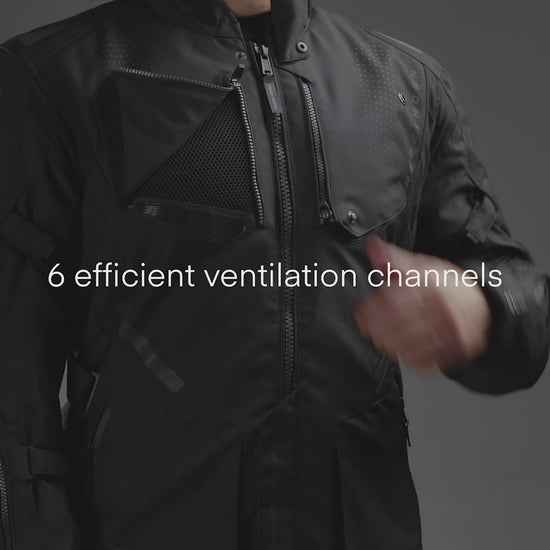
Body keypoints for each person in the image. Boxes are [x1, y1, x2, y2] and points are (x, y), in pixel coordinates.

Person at [0, 0, 548, 549]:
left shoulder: (405, 85)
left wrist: (486, 307)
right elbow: (13, 391)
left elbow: (520, 290)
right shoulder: (52, 77)